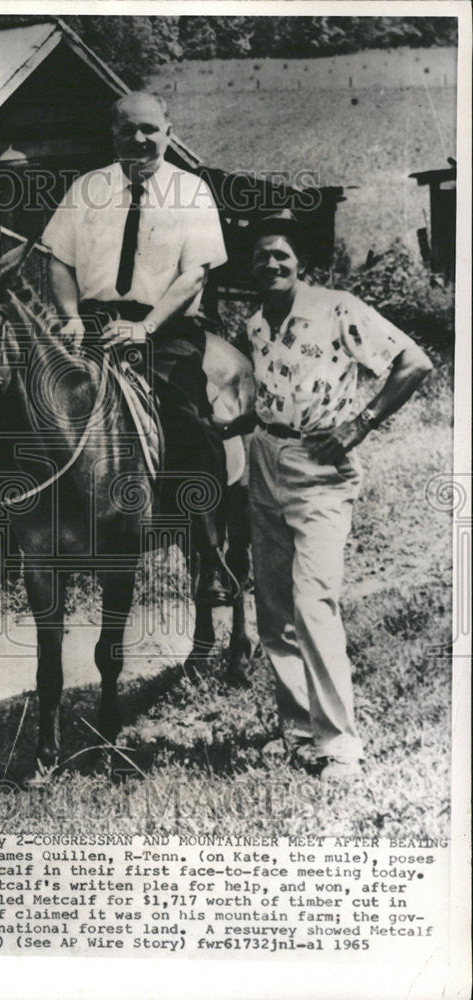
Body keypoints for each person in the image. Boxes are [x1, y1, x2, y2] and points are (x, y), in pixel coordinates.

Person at [240, 210, 433, 783]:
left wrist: (358, 424)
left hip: (320, 468)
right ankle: (298, 731)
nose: (272, 263)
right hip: (264, 461)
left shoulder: (337, 306)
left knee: (313, 603)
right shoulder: (254, 326)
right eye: (261, 258)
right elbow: (267, 397)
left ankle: (340, 745)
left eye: (283, 255)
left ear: (301, 263)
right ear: (250, 271)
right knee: (273, 611)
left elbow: (414, 362)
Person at [41, 91, 235, 604]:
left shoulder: (192, 193)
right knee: (33, 407)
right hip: (91, 329)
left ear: (168, 131)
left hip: (164, 334)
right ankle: (17, 526)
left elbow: (194, 275)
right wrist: (71, 319)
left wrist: (146, 327)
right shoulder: (85, 190)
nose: (139, 139)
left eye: (149, 128)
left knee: (191, 422)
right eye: (128, 129)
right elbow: (58, 261)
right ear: (114, 134)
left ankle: (209, 555)